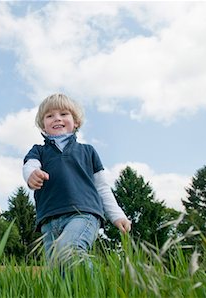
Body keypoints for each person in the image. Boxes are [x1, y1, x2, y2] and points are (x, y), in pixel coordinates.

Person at [23, 93, 131, 265]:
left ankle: (94, 290)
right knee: (57, 271)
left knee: (69, 250)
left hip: (83, 213)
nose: (57, 118)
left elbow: (102, 187)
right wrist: (32, 175)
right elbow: (30, 165)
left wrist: (116, 215)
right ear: (43, 126)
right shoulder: (39, 151)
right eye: (50, 116)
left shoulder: (88, 151)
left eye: (64, 114)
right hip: (48, 220)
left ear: (76, 122)